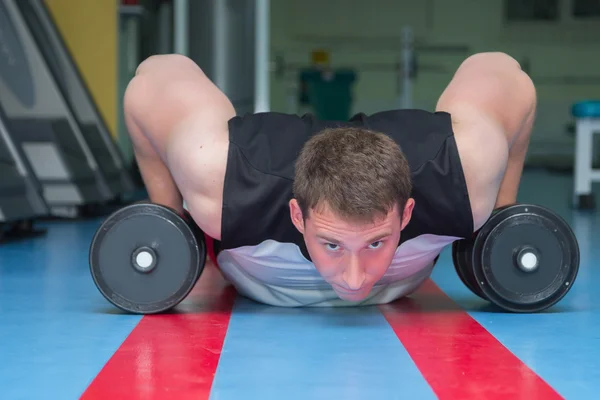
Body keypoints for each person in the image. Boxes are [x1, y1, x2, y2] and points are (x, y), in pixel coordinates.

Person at [123, 52, 536, 307]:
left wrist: (502, 214)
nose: (354, 278)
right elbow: (151, 80)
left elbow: (506, 73)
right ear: (297, 217)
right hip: (261, 164)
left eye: (377, 242)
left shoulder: (462, 177)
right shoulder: (223, 178)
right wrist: (168, 216)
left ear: (407, 213)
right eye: (332, 244)